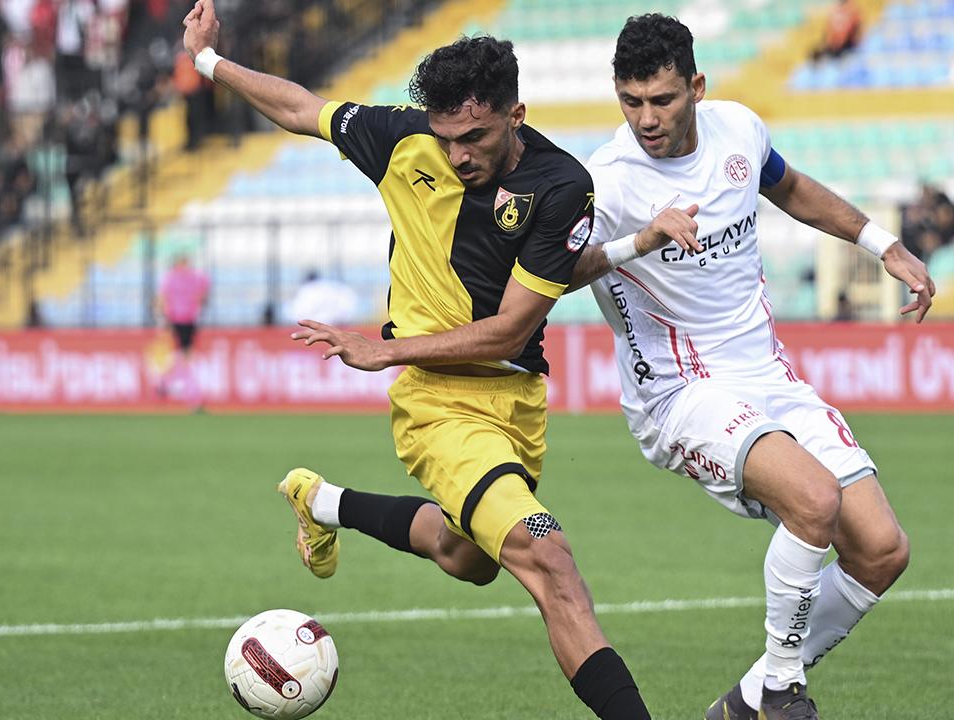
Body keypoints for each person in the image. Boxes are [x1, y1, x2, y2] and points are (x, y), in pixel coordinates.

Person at [181, 2, 660, 717]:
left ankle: (322, 501)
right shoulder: (405, 142)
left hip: (515, 404)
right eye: (446, 138)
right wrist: (208, 61)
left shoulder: (561, 187)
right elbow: (303, 108)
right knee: (548, 559)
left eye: (474, 137)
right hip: (438, 405)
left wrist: (384, 350)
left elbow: (509, 330)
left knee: (469, 559)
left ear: (516, 115)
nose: (457, 155)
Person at [565, 15, 933, 720]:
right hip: (680, 392)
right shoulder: (605, 182)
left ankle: (744, 702)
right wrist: (639, 241)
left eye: (662, 99)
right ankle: (783, 691)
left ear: (696, 87)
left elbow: (789, 189)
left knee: (882, 550)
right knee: (813, 501)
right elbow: (554, 271)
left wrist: (881, 243)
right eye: (631, 101)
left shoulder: (738, 130)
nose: (646, 119)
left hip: (767, 374)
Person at [156, 253, 209, 408]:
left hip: (185, 320)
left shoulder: (179, 277)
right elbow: (162, 299)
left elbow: (203, 295)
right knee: (182, 356)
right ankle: (181, 389)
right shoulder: (174, 278)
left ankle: (168, 383)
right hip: (178, 320)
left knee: (182, 356)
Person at [286, 268, 360, 328]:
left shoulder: (306, 289)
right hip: (335, 324)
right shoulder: (332, 286)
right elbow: (348, 301)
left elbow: (298, 312)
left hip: (313, 325)